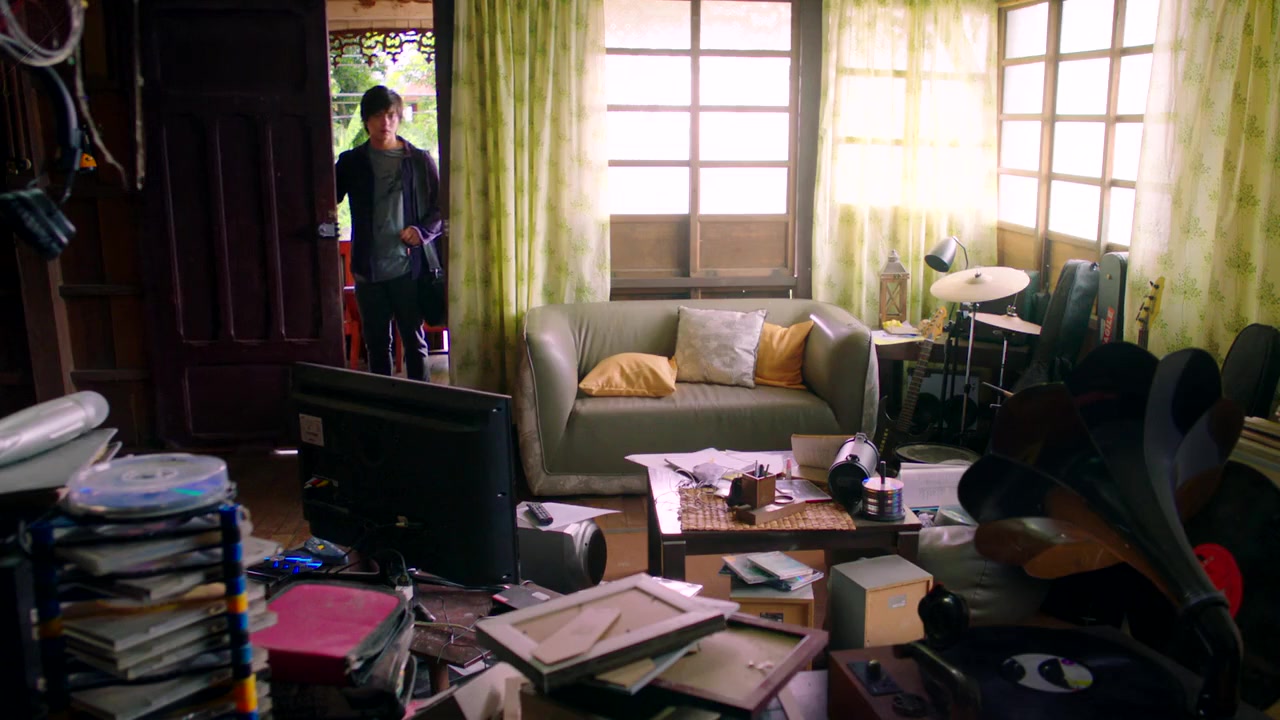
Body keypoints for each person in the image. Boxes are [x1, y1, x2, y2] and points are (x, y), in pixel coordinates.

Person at [335, 85, 444, 382]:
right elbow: (325, 197)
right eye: (378, 116)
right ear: (366, 120)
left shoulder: (418, 161)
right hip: (367, 270)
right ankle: (383, 404)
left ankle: (422, 401)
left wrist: (421, 232)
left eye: (391, 115)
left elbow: (441, 209)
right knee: (377, 347)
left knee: (414, 343)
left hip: (408, 268)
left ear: (399, 118)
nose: (385, 122)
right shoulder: (352, 162)